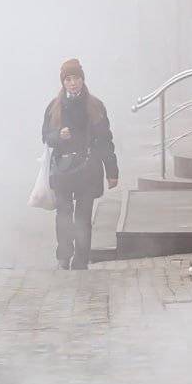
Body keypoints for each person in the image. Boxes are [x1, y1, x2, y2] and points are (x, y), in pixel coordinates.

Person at [42, 58, 118, 270]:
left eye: (76, 78)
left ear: (83, 80)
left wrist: (112, 171)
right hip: (63, 168)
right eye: (68, 79)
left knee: (84, 215)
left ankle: (81, 259)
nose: (73, 83)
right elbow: (45, 136)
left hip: (88, 168)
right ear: (63, 82)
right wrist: (59, 135)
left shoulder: (94, 106)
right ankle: (64, 255)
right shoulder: (54, 107)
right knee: (64, 213)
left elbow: (105, 140)